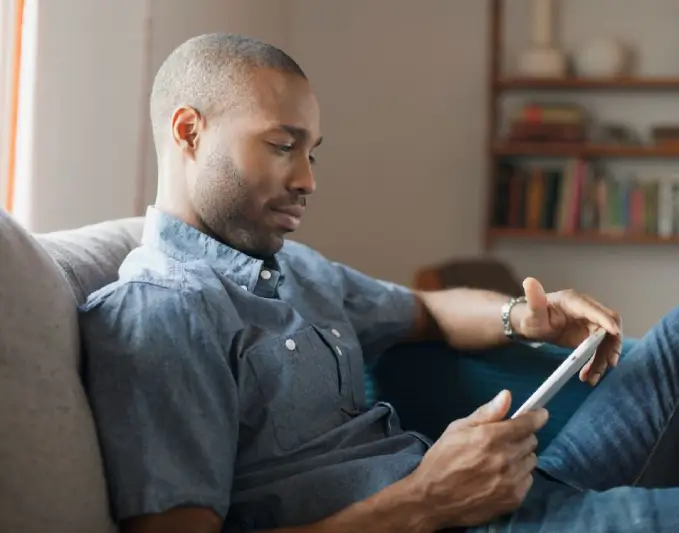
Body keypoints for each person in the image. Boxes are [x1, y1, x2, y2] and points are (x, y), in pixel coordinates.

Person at [78, 33, 679, 533]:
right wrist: (425, 499)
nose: (308, 179)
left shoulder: (299, 269)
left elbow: (426, 309)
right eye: (284, 146)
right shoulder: (159, 312)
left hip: (506, 492)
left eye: (312, 153)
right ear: (188, 132)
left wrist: (521, 318)